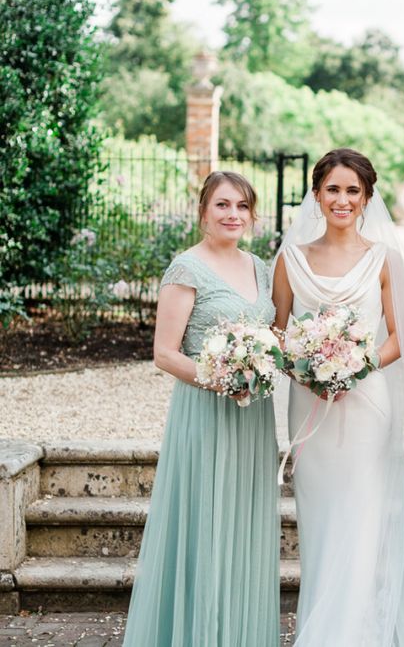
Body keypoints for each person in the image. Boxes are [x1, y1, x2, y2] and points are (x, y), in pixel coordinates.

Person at [272, 148, 404, 646]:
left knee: (364, 517)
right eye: (333, 189)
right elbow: (277, 333)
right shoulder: (290, 260)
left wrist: (355, 368)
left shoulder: (384, 259)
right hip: (309, 407)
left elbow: (398, 336)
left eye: (352, 191)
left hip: (367, 407)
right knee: (321, 521)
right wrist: (307, 371)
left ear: (367, 198)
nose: (342, 199)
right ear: (317, 194)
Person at [123, 171, 280, 647]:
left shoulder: (261, 268)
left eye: (242, 206)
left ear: (252, 215)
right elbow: (165, 353)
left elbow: (272, 337)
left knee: (244, 526)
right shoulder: (186, 267)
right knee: (205, 522)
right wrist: (223, 379)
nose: (233, 214)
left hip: (254, 416)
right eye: (223, 205)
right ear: (203, 211)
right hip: (206, 413)